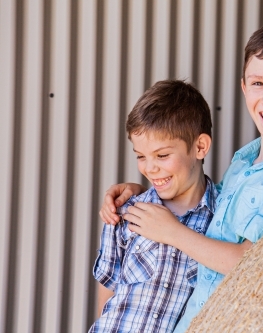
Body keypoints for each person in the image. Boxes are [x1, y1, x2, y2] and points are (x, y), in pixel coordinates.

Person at [99, 19, 263, 332]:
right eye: (258, 83)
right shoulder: (244, 160)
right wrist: (144, 189)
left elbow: (252, 261)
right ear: (244, 87)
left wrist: (170, 232)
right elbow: (196, 201)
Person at [89, 80, 218, 333]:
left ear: (200, 147)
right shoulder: (126, 213)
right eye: (140, 156)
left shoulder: (220, 219)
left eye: (162, 155)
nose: (149, 168)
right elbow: (107, 294)